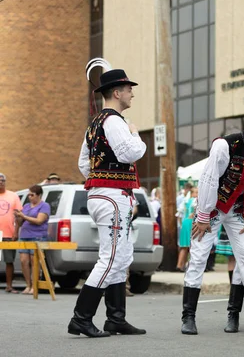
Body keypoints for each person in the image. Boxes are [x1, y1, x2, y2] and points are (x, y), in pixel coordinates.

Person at [180, 118, 244, 336]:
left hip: (239, 211)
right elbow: (209, 179)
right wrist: (204, 215)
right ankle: (188, 317)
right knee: (198, 258)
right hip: (213, 209)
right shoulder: (224, 146)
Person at [68, 61, 147, 337]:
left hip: (108, 194)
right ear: (116, 92)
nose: (131, 94)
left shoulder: (95, 124)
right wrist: (137, 136)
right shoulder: (114, 121)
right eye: (128, 89)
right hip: (112, 196)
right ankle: (82, 317)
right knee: (112, 257)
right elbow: (129, 153)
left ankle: (115, 318)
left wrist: (99, 179)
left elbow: (82, 163)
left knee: (121, 256)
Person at [13, 185, 50, 295]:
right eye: (29, 195)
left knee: (35, 262)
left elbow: (39, 220)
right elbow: (20, 223)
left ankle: (35, 286)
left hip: (37, 236)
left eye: (32, 195)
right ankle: (28, 285)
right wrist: (18, 217)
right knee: (24, 261)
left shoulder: (44, 206)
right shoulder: (26, 206)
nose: (30, 197)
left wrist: (23, 216)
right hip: (24, 236)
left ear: (39, 195)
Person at [0, 173, 23, 294]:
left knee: (9, 261)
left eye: (2, 180)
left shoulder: (13, 196)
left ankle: (9, 285)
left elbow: (19, 216)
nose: (1, 182)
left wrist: (16, 231)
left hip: (9, 233)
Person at [177, 187, 197, 271]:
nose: (198, 194)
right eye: (196, 192)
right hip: (191, 223)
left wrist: (181, 224)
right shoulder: (195, 201)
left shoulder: (185, 201)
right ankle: (188, 265)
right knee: (192, 246)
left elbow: (178, 215)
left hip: (185, 223)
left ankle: (180, 265)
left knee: (184, 246)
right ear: (192, 194)